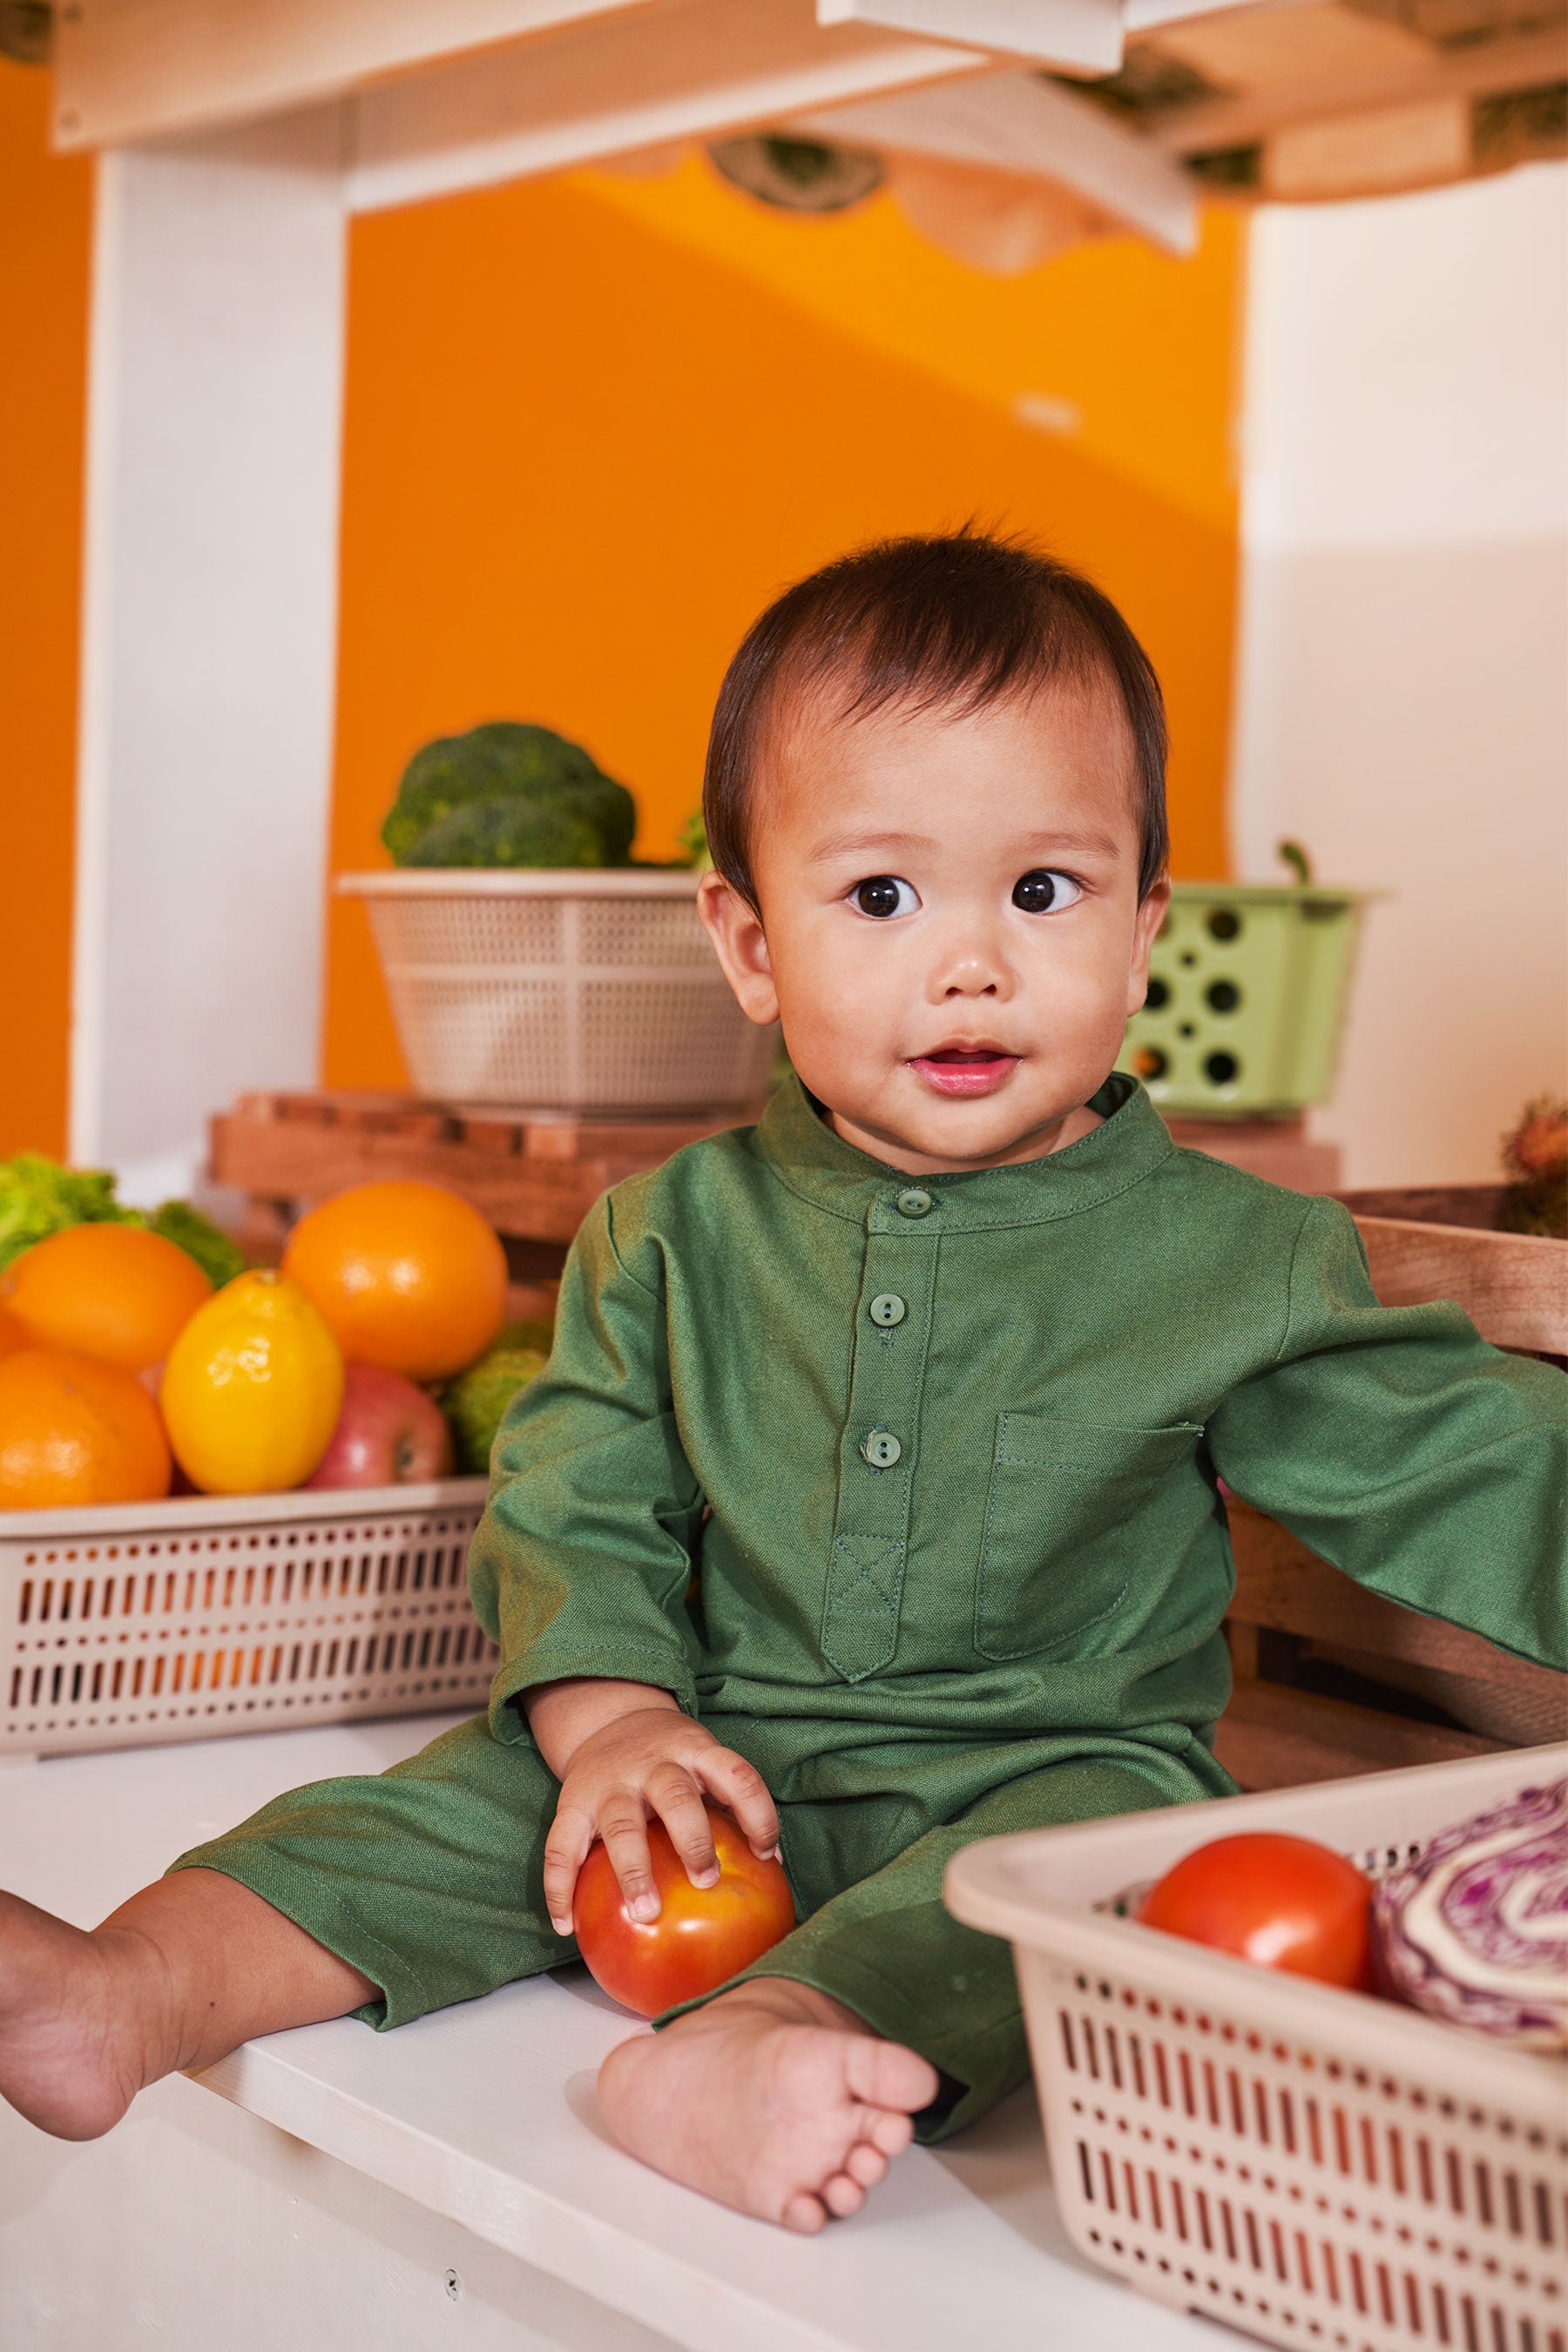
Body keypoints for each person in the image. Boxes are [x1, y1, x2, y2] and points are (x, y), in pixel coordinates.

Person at [2, 532, 1563, 2234]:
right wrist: (615, 1723)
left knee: (1102, 1860)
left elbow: (1473, 1467)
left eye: (1044, 892)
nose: (969, 962)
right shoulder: (670, 1234)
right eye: (881, 897)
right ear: (748, 945)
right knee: (445, 1808)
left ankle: (761, 2040)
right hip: (696, 1742)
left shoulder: (1240, 1260)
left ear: (1144, 935)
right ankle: (130, 1988)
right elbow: (579, 1493)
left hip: (1035, 1770)